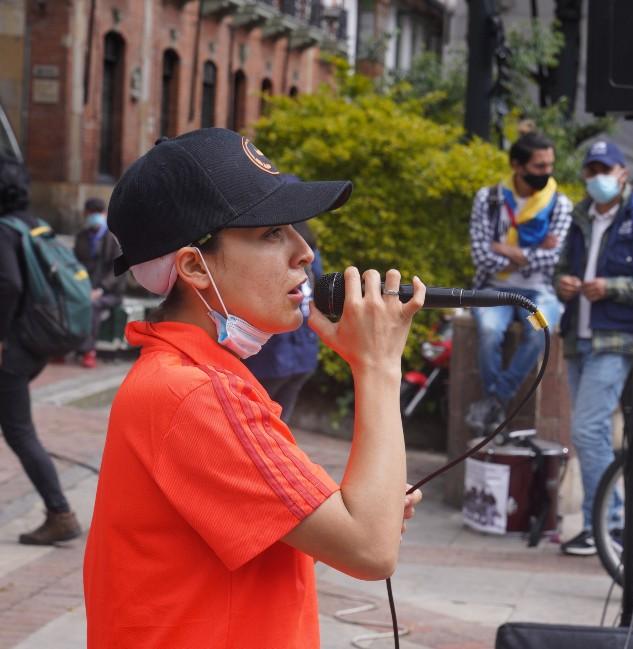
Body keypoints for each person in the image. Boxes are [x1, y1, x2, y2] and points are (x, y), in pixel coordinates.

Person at [83, 128, 424, 648]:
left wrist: (361, 505)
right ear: (195, 266)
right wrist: (377, 366)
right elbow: (370, 550)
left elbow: (341, 524)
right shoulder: (195, 394)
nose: (304, 252)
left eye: (294, 230)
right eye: (270, 234)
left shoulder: (192, 375)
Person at [553, 140, 633, 556]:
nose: (599, 177)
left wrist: (611, 288)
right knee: (591, 432)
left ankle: (608, 523)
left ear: (623, 173)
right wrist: (563, 284)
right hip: (577, 336)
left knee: (587, 428)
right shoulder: (579, 216)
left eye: (608, 169)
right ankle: (604, 522)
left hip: (616, 338)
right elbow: (560, 268)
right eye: (592, 170)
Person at [0, 154, 83, 545]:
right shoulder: (35, 225)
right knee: (17, 428)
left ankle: (60, 512)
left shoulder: (4, 230)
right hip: (32, 344)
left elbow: (10, 285)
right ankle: (58, 511)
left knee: (19, 431)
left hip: (10, 351)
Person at [465, 131, 570, 433]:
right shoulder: (489, 199)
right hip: (493, 290)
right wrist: (531, 254)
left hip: (538, 291)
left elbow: (553, 259)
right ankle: (497, 404)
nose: (547, 172)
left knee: (540, 331)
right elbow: (481, 256)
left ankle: (496, 400)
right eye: (539, 166)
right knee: (488, 330)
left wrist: (506, 250)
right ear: (517, 165)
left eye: (550, 165)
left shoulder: (559, 204)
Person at [243, 211, 322, 424]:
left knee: (255, 422)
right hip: (304, 349)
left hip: (274, 352)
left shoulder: (278, 245)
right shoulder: (308, 248)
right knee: (278, 422)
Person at [73, 197, 124, 368]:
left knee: (93, 305)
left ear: (104, 214)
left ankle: (89, 351)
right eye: (90, 213)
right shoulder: (81, 237)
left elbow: (118, 271)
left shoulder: (113, 239)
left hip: (109, 293)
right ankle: (63, 346)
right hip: (84, 287)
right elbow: (74, 264)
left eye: (97, 213)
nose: (93, 217)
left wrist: (101, 289)